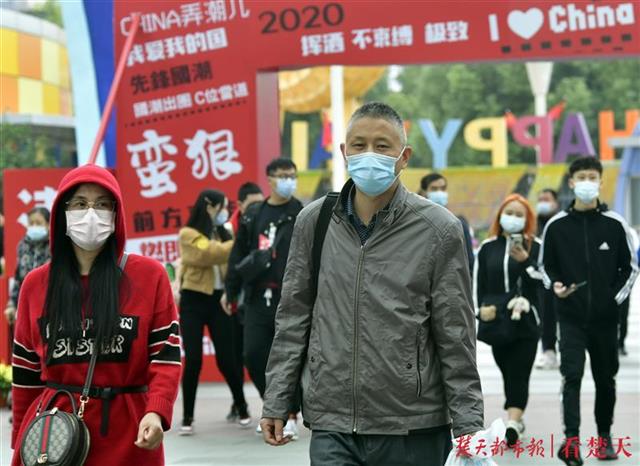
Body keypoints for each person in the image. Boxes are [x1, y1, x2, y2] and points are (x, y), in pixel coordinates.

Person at [260, 102, 484, 465]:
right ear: (344, 152)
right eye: (359, 145)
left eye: (382, 146)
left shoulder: (438, 229)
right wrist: (278, 399)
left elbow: (455, 332)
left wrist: (469, 424)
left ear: (404, 156)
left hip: (412, 425)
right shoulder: (314, 222)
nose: (369, 155)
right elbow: (294, 316)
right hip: (332, 422)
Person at [11, 165, 181, 465]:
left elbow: (165, 355)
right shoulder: (36, 285)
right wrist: (22, 441)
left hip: (130, 431)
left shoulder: (148, 276)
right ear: (62, 213)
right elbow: (26, 372)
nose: (91, 213)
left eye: (103, 204)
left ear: (117, 214)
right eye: (79, 203)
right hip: (55, 436)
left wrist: (157, 410)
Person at [540, 157, 638, 466]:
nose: (586, 181)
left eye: (591, 176)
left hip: (605, 320)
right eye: (580, 176)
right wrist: (555, 285)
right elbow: (545, 267)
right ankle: (571, 442)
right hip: (569, 317)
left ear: (600, 181)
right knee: (572, 376)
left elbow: (630, 268)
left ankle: (605, 438)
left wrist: (613, 300)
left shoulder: (614, 223)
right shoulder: (556, 226)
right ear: (571, 182)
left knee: (605, 379)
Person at [224, 158, 303, 438]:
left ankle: (289, 412)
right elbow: (238, 254)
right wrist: (230, 289)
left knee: (292, 356)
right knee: (254, 354)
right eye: (282, 175)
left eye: (292, 175)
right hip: (258, 297)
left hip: (293, 297)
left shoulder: (302, 213)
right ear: (269, 178)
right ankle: (276, 407)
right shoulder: (254, 214)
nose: (288, 180)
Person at [178, 190, 249, 434]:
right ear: (209, 206)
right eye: (221, 207)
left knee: (227, 359)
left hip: (218, 302)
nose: (224, 213)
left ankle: (242, 407)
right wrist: (236, 243)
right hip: (192, 301)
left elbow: (232, 261)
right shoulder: (188, 234)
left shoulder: (224, 233)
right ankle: (187, 417)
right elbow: (206, 253)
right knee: (194, 359)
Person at [474, 194, 542, 447]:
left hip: (525, 318)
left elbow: (543, 280)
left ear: (527, 219)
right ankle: (517, 415)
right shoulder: (488, 247)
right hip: (496, 321)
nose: (512, 218)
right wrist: (480, 309)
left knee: (520, 370)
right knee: (506, 369)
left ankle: (513, 420)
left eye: (518, 214)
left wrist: (525, 260)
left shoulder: (535, 245)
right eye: (509, 212)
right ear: (500, 216)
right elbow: (479, 283)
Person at [419, 173, 474, 274]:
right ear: (424, 192)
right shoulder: (416, 222)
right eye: (434, 189)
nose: (439, 193)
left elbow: (468, 261)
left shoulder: (457, 223)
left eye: (443, 188)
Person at [4, 207, 51, 326]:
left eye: (39, 223)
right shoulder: (22, 246)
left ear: (49, 224)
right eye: (31, 223)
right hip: (28, 307)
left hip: (51, 307)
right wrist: (12, 305)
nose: (34, 226)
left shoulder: (55, 246)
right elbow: (18, 278)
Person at [534, 189, 561, 370]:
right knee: (546, 316)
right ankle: (548, 351)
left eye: (547, 199)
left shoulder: (560, 223)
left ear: (555, 203)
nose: (543, 202)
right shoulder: (532, 223)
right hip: (540, 278)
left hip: (561, 276)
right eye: (540, 199)